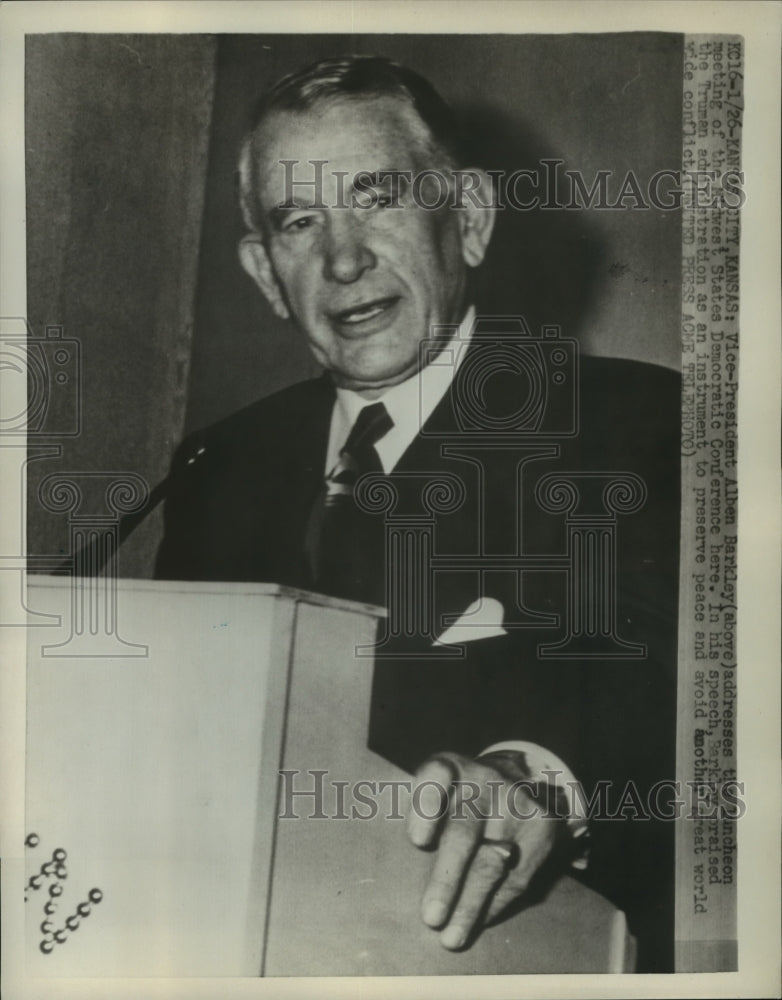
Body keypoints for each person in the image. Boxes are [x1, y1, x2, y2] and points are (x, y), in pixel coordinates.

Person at [156, 55, 680, 971]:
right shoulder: (218, 465)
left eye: (378, 199)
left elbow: (662, 682)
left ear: (469, 218)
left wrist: (532, 778)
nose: (344, 257)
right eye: (300, 222)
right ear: (266, 272)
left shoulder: (633, 425)